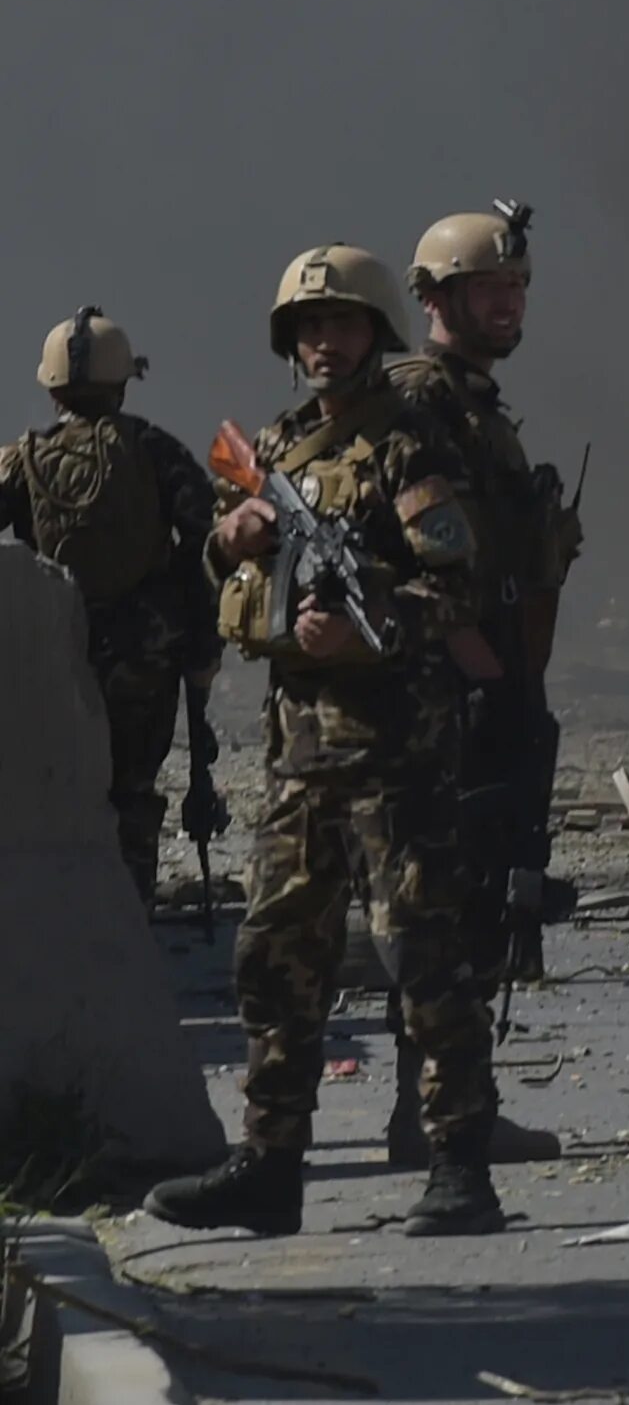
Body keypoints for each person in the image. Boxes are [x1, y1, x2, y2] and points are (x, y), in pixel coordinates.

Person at [144, 246, 506, 1239]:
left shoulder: (410, 446)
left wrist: (368, 616)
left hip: (397, 750)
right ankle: (269, 1163)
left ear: (377, 332)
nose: (322, 341)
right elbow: (227, 569)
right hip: (301, 751)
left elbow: (462, 592)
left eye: (341, 324)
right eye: (307, 328)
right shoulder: (282, 444)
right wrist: (238, 537)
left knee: (425, 957)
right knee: (276, 956)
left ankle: (459, 1163)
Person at [383, 203, 582, 1168]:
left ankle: (443, 1103)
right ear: (435, 297)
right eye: (486, 289)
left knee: (477, 886)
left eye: (516, 288)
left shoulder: (472, 404)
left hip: (496, 674)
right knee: (446, 896)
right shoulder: (420, 401)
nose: (508, 304)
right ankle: (436, 1111)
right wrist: (477, 662)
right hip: (452, 683)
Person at [0, 309, 221, 906]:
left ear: (51, 388)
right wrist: (203, 650)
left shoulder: (20, 458)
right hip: (144, 653)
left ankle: (61, 922)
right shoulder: (153, 449)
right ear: (124, 381)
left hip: (53, 653)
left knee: (54, 789)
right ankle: (128, 920)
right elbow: (208, 546)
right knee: (132, 791)